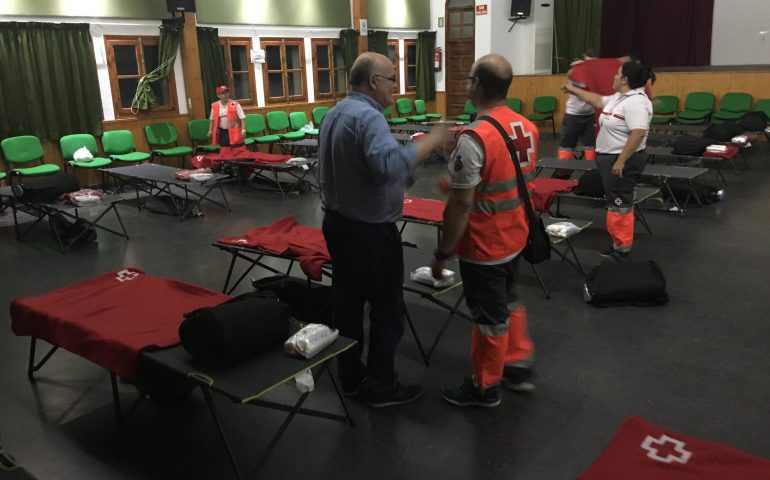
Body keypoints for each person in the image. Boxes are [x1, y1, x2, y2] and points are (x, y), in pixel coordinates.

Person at [318, 52, 450, 408]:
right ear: (374, 81)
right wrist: (430, 141)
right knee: (388, 310)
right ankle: (381, 387)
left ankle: (349, 377)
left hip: (338, 226)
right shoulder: (368, 118)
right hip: (370, 233)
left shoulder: (334, 113)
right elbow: (389, 166)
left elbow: (360, 169)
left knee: (347, 306)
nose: (396, 85)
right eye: (392, 78)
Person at [430, 54, 538, 408]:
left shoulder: (475, 137)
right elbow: (506, 177)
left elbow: (461, 207)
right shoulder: (526, 126)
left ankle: (485, 387)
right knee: (509, 300)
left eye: (469, 79)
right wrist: (461, 184)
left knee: (488, 318)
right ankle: (517, 365)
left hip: (485, 245)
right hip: (516, 236)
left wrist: (443, 253)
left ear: (476, 84)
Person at [563, 61, 655, 262]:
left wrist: (621, 161)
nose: (614, 76)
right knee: (615, 202)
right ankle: (619, 244)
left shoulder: (636, 102)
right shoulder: (619, 98)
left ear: (625, 80)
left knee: (619, 204)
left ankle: (622, 249)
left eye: (617, 74)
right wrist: (573, 89)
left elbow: (638, 132)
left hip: (622, 160)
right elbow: (597, 100)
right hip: (610, 158)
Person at [557, 49, 598, 164]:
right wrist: (579, 65)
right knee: (567, 145)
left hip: (590, 116)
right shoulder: (575, 72)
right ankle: (563, 169)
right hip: (573, 115)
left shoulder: (596, 75)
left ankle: (591, 170)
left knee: (591, 146)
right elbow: (570, 74)